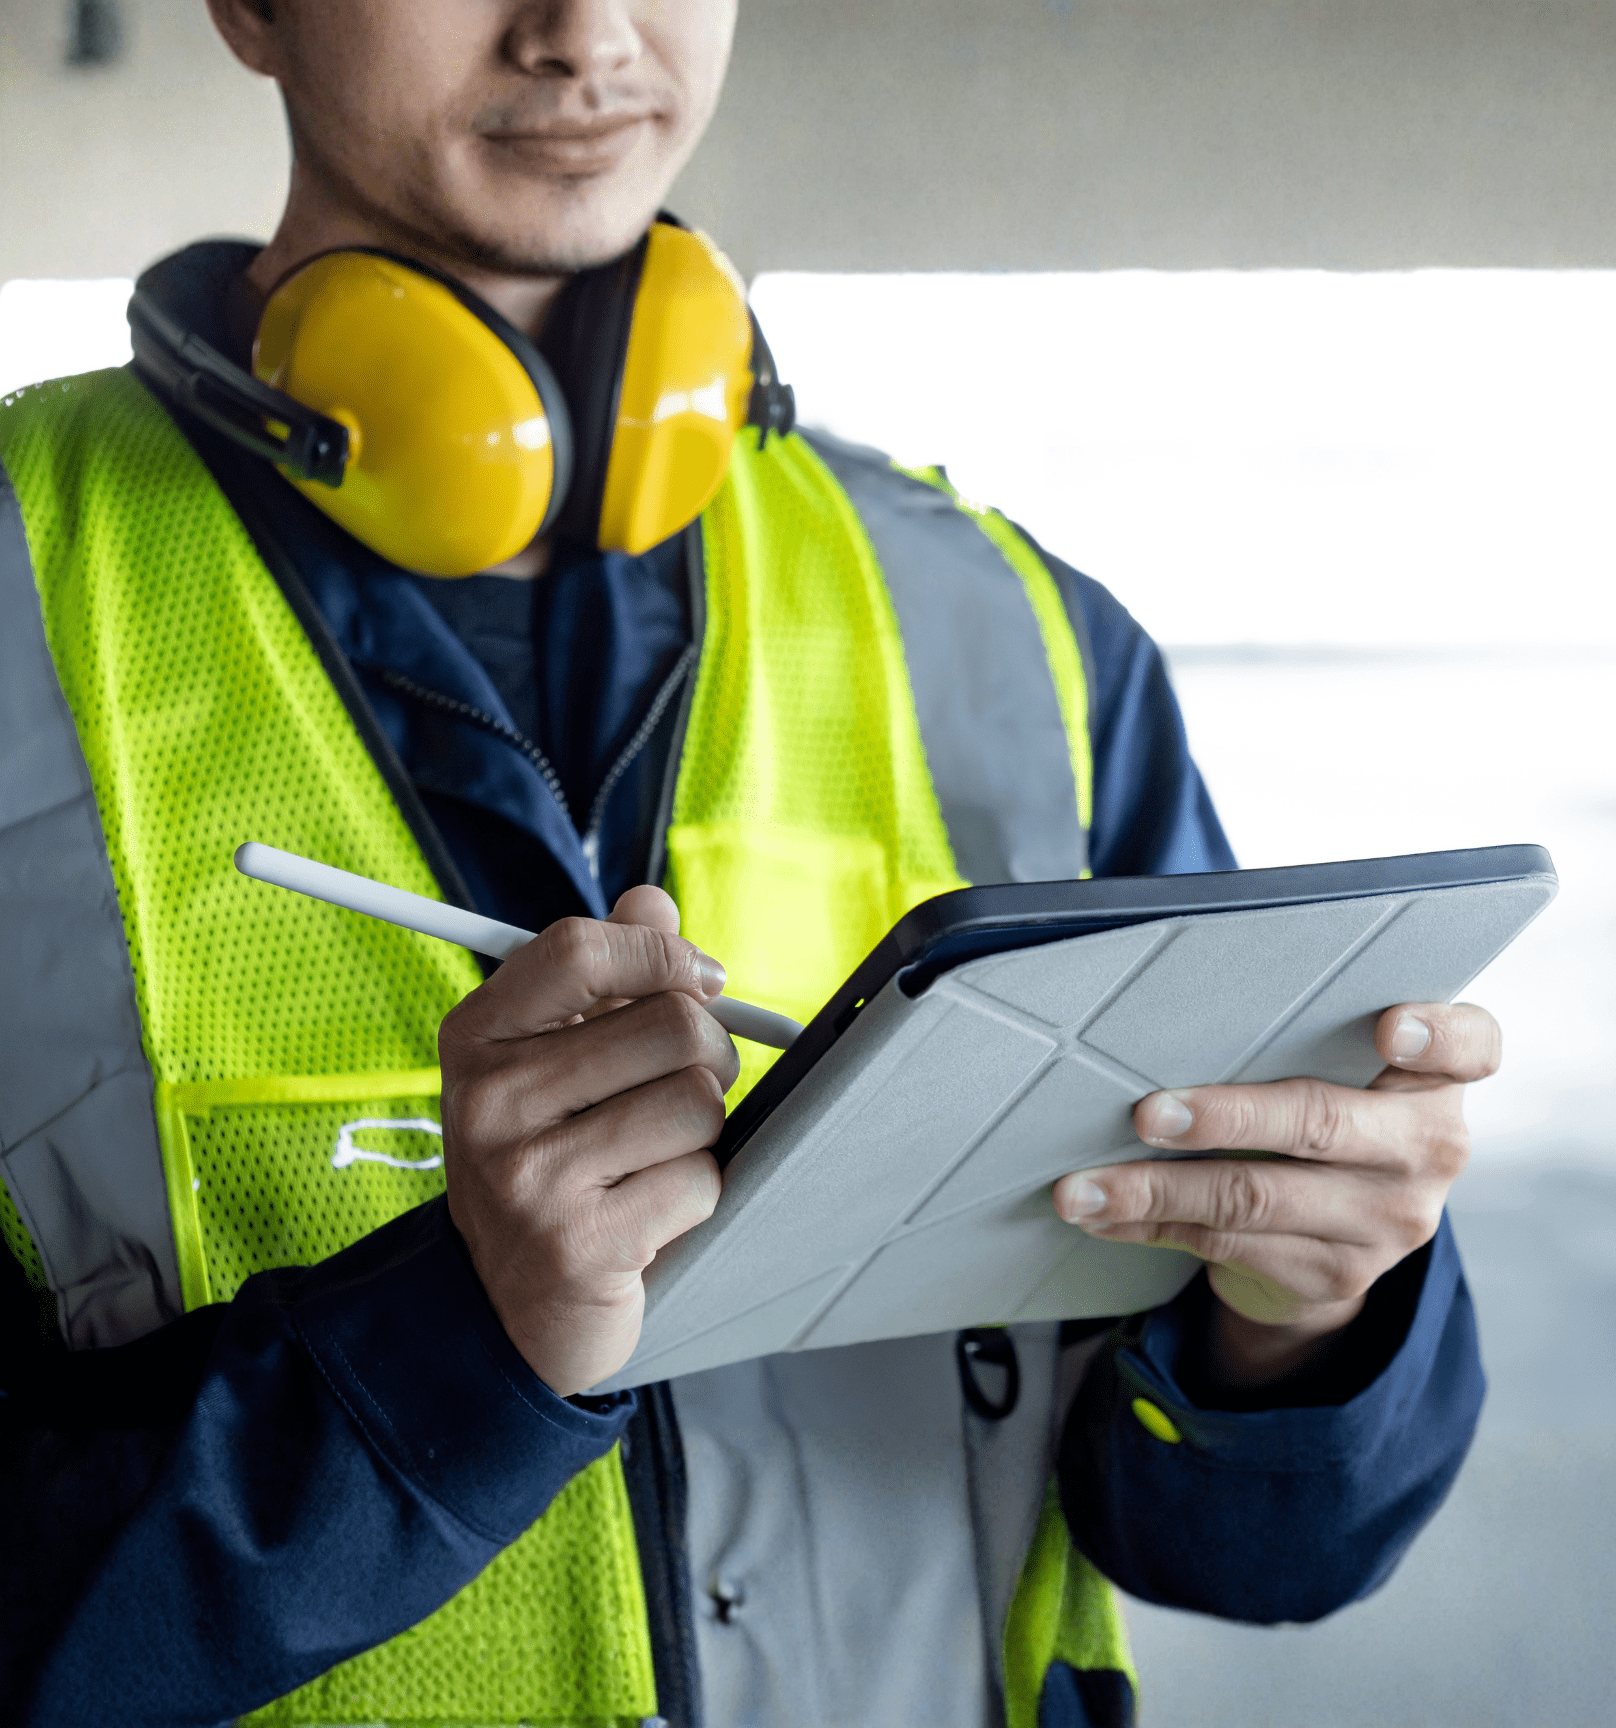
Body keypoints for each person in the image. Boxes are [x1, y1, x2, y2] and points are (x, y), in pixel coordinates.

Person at [0, 1, 1504, 1722]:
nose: (583, 35)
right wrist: (452, 1355)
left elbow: (1250, 1555)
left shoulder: (1017, 644)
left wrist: (1300, 1326)